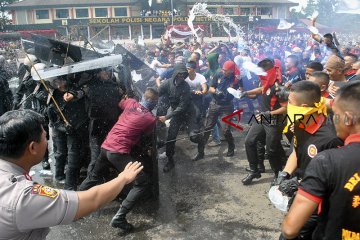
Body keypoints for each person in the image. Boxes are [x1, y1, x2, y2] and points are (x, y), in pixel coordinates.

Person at [0, 109, 143, 240]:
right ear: (32, 147)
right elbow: (92, 199)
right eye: (45, 137)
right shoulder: (23, 197)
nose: (48, 140)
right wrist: (123, 178)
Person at [282, 81, 360, 239]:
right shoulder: (299, 124)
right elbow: (297, 152)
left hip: (316, 203)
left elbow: (290, 228)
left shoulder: (331, 144)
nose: (333, 118)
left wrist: (302, 185)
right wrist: (285, 174)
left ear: (348, 119)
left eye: (335, 114)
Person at [80, 88, 158, 233]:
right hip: (118, 152)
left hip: (106, 146)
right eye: (156, 102)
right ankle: (120, 217)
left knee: (93, 177)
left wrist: (125, 98)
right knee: (143, 182)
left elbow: (121, 103)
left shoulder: (131, 103)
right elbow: (146, 134)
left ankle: (73, 204)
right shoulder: (150, 118)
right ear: (153, 102)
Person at [241, 58, 287, 185]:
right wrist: (245, 93)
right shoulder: (267, 82)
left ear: (269, 71)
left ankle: (278, 174)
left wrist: (269, 113)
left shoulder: (279, 87)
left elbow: (286, 108)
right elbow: (261, 89)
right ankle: (254, 170)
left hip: (275, 120)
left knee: (272, 150)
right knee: (249, 141)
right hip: (263, 117)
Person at [158, 63, 205, 171]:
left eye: (184, 76)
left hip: (188, 113)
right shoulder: (168, 83)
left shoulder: (185, 86)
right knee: (171, 138)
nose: (182, 77)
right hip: (176, 114)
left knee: (194, 136)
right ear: (175, 74)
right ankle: (170, 161)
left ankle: (201, 147)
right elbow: (158, 92)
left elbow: (182, 107)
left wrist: (167, 116)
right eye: (179, 75)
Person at [200, 60, 240, 158]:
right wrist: (216, 91)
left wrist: (239, 92)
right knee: (207, 128)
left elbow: (241, 89)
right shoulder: (218, 74)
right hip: (215, 104)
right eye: (223, 69)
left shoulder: (237, 78)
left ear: (231, 71)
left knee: (225, 130)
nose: (223, 71)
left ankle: (231, 146)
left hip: (227, 106)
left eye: (226, 70)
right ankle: (200, 151)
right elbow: (210, 88)